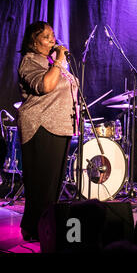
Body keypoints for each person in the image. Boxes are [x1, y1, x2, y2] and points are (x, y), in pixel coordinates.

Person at [17, 21, 78, 241]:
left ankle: (45, 228)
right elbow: (45, 86)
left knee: (53, 186)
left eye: (53, 35)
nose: (53, 40)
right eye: (46, 36)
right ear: (34, 41)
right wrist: (60, 61)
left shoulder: (52, 62)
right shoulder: (30, 60)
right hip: (40, 126)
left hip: (61, 127)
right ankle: (32, 229)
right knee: (41, 185)